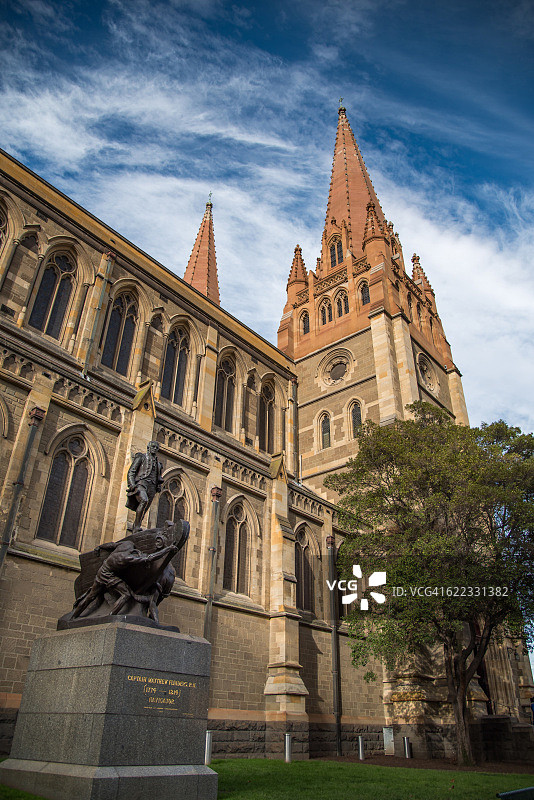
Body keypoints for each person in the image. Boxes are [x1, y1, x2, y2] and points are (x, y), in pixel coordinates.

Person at [126, 440, 163, 531]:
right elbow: (131, 471)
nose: (154, 449)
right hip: (141, 484)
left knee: (144, 509)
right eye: (153, 447)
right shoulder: (141, 457)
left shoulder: (158, 464)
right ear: (148, 447)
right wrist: (132, 484)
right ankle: (136, 526)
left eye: (156, 448)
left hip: (152, 487)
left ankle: (136, 527)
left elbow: (158, 477)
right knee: (144, 500)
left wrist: (158, 486)